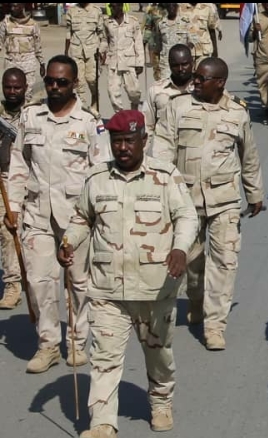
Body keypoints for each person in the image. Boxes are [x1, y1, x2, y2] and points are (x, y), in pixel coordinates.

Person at [58, 110, 198, 438]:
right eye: (116, 141)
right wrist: (69, 241)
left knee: (158, 355)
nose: (122, 148)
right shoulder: (96, 178)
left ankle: (161, 400)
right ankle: (103, 423)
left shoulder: (165, 176)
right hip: (108, 289)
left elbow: (187, 216)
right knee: (104, 358)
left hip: (154, 288)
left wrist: (180, 249)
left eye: (129, 141)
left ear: (143, 141)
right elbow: (82, 217)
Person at [151, 57, 265, 351]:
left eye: (202, 78)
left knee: (225, 262)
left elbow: (249, 155)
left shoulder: (237, 113)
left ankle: (215, 326)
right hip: (186, 202)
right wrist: (161, 193)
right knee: (192, 263)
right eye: (196, 77)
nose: (196, 81)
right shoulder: (178, 106)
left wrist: (254, 193)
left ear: (220, 83)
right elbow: (162, 150)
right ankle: (196, 299)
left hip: (224, 201)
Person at [6, 55, 110, 373]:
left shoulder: (89, 122)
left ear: (74, 83)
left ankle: (77, 341)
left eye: (61, 82)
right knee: (39, 281)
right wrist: (13, 207)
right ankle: (48, 345)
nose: (54, 86)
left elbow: (101, 173)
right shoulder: (31, 116)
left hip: (76, 218)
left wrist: (99, 216)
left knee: (78, 283)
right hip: (37, 214)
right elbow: (19, 163)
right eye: (50, 80)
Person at [0, 68, 26, 309]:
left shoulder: (34, 113)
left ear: (25, 88)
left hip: (30, 177)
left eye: (17, 87)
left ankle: (26, 277)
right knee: (7, 230)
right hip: (4, 176)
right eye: (8, 87)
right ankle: (13, 285)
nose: (12, 91)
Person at [143, 44, 193, 151]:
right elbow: (148, 126)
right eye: (175, 65)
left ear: (192, 63)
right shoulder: (156, 91)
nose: (180, 69)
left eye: (184, 64)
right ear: (169, 65)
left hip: (192, 150)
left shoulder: (201, 90)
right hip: (164, 150)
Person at [102, 3, 144, 113]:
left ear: (120, 6)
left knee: (134, 91)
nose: (111, 8)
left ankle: (134, 109)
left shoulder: (132, 21)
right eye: (110, 6)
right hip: (113, 62)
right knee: (112, 92)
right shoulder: (107, 22)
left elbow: (138, 42)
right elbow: (104, 40)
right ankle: (120, 115)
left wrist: (140, 63)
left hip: (129, 62)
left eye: (114, 6)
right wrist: (101, 52)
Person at [64, 3, 106, 112]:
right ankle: (81, 109)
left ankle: (95, 101)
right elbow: (68, 33)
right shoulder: (71, 11)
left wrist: (102, 51)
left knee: (92, 79)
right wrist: (66, 52)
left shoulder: (96, 11)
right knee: (79, 82)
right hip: (76, 51)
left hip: (92, 52)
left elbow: (102, 34)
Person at [0, 3, 44, 102]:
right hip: (11, 63)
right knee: (12, 93)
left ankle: (26, 111)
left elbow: (38, 45)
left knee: (27, 94)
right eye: (11, 6)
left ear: (22, 7)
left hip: (28, 64)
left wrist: (42, 63)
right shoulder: (5, 23)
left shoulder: (33, 24)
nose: (12, 8)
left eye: (15, 6)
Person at [154, 3, 194, 82]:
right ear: (166, 8)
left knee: (183, 83)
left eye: (174, 6)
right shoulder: (161, 24)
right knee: (165, 84)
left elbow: (192, 42)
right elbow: (158, 45)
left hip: (182, 62)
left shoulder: (185, 22)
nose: (171, 8)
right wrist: (156, 65)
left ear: (177, 7)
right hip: (166, 63)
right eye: (169, 6)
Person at [143, 3, 166, 81]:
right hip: (157, 47)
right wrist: (145, 39)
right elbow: (148, 26)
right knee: (158, 74)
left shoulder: (174, 9)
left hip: (171, 48)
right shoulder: (153, 10)